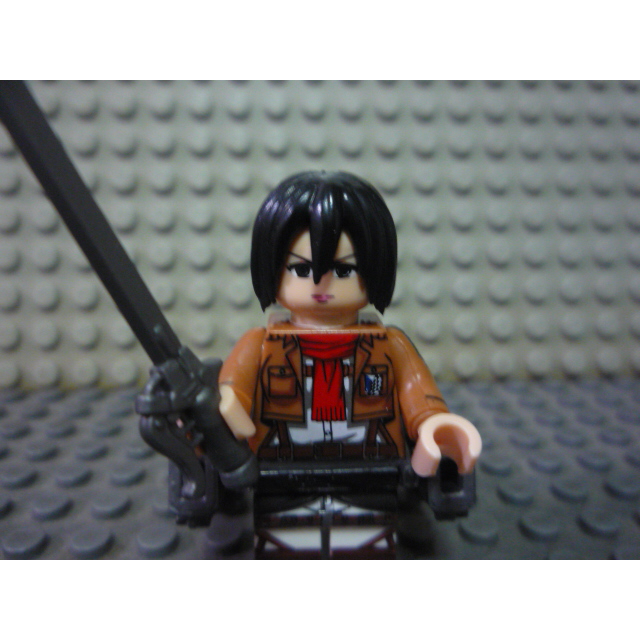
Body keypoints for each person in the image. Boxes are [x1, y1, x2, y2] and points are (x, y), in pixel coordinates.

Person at [217, 171, 481, 479]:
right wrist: (225, 407)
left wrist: (432, 421)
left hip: (373, 459)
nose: (320, 284)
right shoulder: (260, 343)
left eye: (344, 271)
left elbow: (416, 390)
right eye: (301, 269)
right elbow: (234, 388)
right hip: (279, 460)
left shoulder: (389, 344)